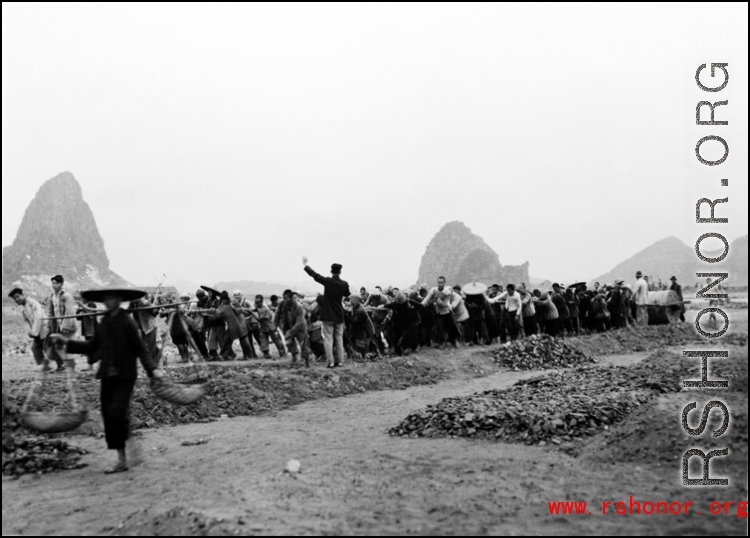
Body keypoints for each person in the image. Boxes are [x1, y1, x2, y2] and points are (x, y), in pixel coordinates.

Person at [51, 288, 164, 474]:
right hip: (107, 375)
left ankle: (123, 458)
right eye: (107, 299)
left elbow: (140, 349)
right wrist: (66, 343)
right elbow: (91, 346)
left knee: (117, 413)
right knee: (108, 415)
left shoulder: (127, 322)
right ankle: (123, 457)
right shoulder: (103, 323)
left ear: (119, 300)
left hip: (125, 375)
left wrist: (153, 370)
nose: (109, 301)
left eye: (112, 298)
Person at [303, 258, 351, 368]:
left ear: (331, 271)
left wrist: (306, 265)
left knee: (328, 339)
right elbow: (347, 294)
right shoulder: (344, 284)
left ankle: (331, 362)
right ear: (340, 272)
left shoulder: (328, 281)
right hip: (339, 315)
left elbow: (315, 275)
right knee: (339, 338)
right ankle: (340, 361)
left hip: (328, 315)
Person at [8, 288, 50, 370]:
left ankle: (60, 365)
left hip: (44, 328)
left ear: (22, 295)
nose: (17, 299)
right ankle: (44, 366)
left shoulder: (32, 302)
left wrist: (34, 332)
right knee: (35, 348)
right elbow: (26, 321)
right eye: (15, 298)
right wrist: (29, 332)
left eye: (18, 296)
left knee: (48, 348)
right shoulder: (23, 308)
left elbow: (39, 317)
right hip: (37, 332)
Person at [207, 291, 255, 360]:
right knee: (235, 339)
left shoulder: (223, 307)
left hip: (235, 326)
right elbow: (238, 310)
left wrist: (211, 311)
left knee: (231, 340)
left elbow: (217, 314)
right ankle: (230, 355)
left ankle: (247, 356)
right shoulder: (233, 302)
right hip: (242, 323)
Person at [45, 275, 78, 371]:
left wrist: (66, 327)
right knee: (58, 345)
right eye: (53, 283)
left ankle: (71, 366)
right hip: (59, 325)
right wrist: (49, 325)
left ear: (62, 284)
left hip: (69, 326)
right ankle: (66, 365)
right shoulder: (52, 297)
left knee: (66, 346)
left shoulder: (67, 296)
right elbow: (51, 313)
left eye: (56, 283)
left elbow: (69, 312)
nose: (54, 285)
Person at [422, 277, 460, 349]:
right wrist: (420, 305)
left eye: (441, 282)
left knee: (452, 327)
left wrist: (437, 299)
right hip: (438, 313)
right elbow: (426, 299)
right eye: (438, 282)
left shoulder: (447, 292)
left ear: (444, 283)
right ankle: (441, 343)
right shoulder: (433, 290)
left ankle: (454, 341)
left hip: (447, 312)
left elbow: (444, 304)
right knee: (440, 329)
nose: (440, 284)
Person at [274, 289, 310, 366]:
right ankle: (294, 358)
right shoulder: (282, 304)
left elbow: (299, 322)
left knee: (303, 345)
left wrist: (290, 333)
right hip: (287, 326)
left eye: (286, 298)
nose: (284, 300)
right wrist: (275, 325)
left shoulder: (299, 307)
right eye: (283, 298)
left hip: (300, 328)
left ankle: (306, 361)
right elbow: (277, 314)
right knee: (289, 343)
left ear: (291, 298)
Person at [253, 294, 286, 359]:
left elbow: (259, 319)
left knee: (277, 340)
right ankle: (266, 355)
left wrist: (251, 312)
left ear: (261, 302)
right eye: (255, 302)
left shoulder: (265, 308)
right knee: (264, 342)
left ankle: (282, 354)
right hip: (264, 327)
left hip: (271, 327)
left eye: (258, 302)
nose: (256, 304)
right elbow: (255, 309)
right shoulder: (258, 307)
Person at [349, 294, 377, 359]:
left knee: (364, 343)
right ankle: (374, 354)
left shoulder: (360, 310)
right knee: (368, 342)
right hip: (364, 328)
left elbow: (354, 321)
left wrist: (349, 317)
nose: (350, 301)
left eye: (351, 300)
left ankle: (364, 358)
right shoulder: (356, 307)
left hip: (367, 329)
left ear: (355, 300)